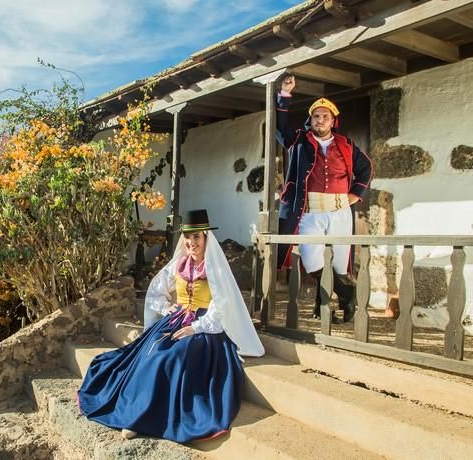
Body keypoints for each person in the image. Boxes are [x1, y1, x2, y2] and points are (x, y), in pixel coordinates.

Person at [77, 209, 264, 443]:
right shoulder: (179, 265)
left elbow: (221, 307)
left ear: (206, 238)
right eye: (188, 237)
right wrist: (167, 308)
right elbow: (156, 291)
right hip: (177, 319)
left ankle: (143, 418)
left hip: (205, 329)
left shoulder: (215, 268)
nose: (191, 242)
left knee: (170, 357)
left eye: (197, 237)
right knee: (148, 353)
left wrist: (196, 327)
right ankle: (133, 411)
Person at [276, 75, 373, 323]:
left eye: (325, 116)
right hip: (311, 211)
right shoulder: (298, 140)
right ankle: (347, 293)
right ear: (311, 119)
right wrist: (285, 95)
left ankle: (323, 305)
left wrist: (356, 194)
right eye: (316, 116)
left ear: (333, 120)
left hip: (340, 212)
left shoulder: (346, 144)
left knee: (340, 263)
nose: (320, 120)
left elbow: (366, 168)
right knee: (311, 260)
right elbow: (279, 127)